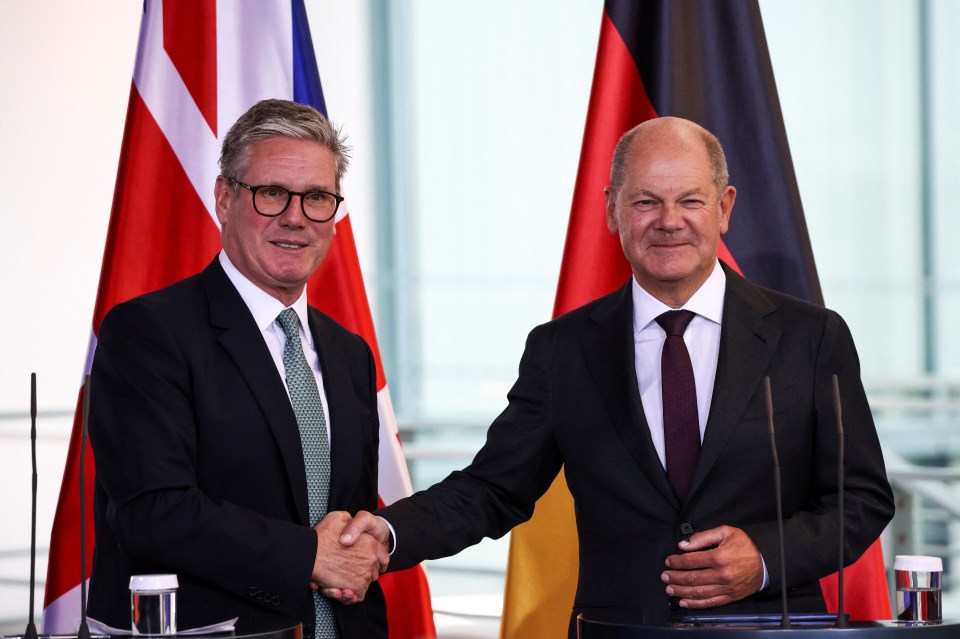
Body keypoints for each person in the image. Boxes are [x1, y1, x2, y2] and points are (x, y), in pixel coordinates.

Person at [337, 117, 895, 633]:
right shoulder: (562, 349)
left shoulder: (810, 337)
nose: (669, 221)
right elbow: (491, 490)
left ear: (724, 208)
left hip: (769, 628)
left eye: (690, 201)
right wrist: (387, 534)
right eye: (646, 202)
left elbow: (862, 498)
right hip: (620, 629)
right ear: (611, 209)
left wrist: (767, 557)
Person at [87, 99, 388, 639]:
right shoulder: (147, 333)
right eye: (272, 192)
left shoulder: (351, 354)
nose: (295, 217)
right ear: (225, 199)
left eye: (317, 197)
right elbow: (153, 512)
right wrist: (307, 555)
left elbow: (347, 530)